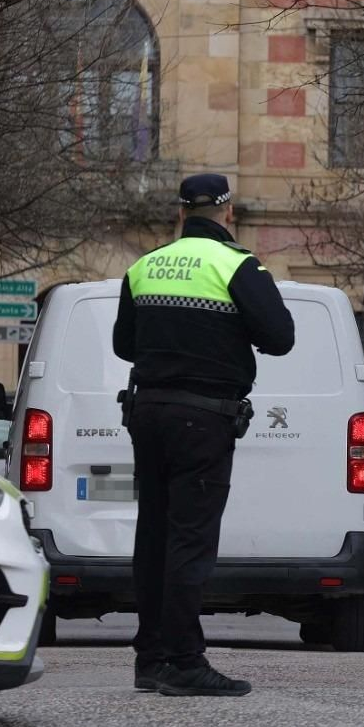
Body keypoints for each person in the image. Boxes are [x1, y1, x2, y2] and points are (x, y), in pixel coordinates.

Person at [112, 174, 294, 697]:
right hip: (203, 418)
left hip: (147, 413)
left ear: (180, 213)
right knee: (190, 540)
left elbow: (126, 345)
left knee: (153, 537)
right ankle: (185, 662)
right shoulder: (236, 265)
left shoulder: (144, 267)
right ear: (228, 213)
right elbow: (280, 337)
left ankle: (150, 659)